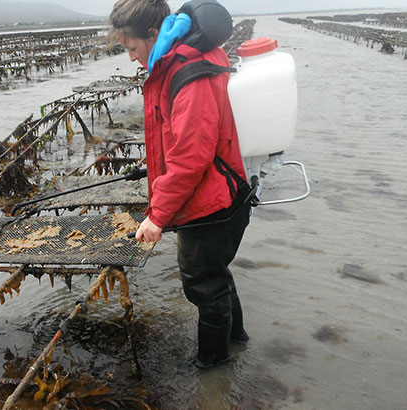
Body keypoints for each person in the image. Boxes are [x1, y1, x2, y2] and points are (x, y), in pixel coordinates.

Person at [110, 0, 251, 368]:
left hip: (212, 202)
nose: (130, 58)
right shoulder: (179, 60)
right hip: (221, 193)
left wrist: (156, 217)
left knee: (202, 283)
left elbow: (190, 159)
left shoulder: (186, 71)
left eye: (132, 47)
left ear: (154, 34)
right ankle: (237, 340)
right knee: (215, 274)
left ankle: (213, 368)